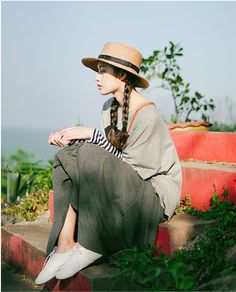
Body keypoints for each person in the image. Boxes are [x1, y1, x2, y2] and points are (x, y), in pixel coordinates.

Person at [35, 41, 182, 285]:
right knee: (67, 156)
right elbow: (110, 160)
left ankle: (91, 244)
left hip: (152, 196)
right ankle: (64, 244)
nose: (97, 77)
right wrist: (71, 145)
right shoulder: (108, 108)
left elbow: (131, 169)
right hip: (125, 187)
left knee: (87, 151)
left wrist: (91, 136)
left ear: (123, 74)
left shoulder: (147, 113)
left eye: (103, 71)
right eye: (97, 71)